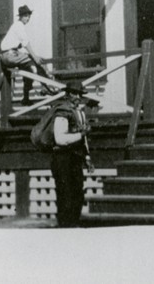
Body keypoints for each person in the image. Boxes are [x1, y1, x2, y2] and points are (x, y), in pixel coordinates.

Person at [50, 91, 95, 227]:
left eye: (79, 94)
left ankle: (74, 222)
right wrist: (80, 135)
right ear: (67, 95)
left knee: (77, 191)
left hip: (76, 157)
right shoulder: (62, 113)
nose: (78, 97)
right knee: (65, 192)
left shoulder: (80, 113)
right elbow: (60, 139)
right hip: (62, 157)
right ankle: (65, 224)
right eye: (74, 94)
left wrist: (87, 157)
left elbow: (84, 138)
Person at [0, 4, 50, 106]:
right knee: (38, 60)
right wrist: (35, 57)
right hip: (10, 55)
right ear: (21, 16)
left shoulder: (15, 27)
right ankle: (46, 86)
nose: (28, 18)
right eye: (25, 16)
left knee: (29, 70)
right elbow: (25, 43)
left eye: (29, 16)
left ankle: (26, 98)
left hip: (8, 55)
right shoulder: (18, 25)